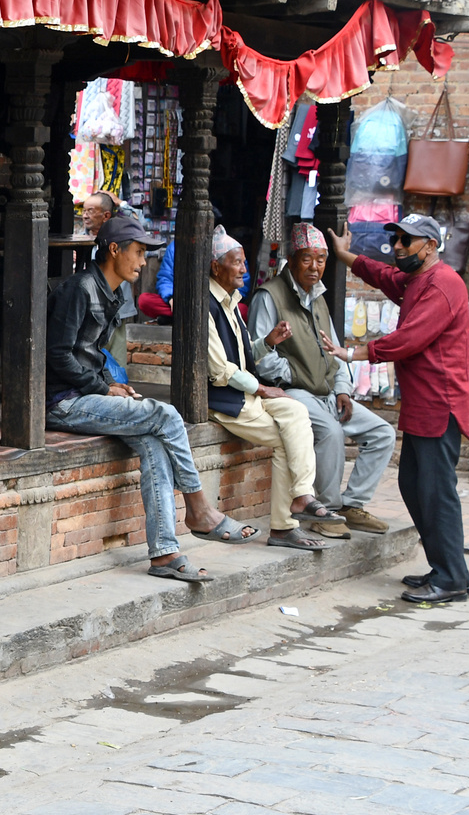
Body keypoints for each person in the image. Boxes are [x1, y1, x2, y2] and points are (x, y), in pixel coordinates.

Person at [46, 215, 261, 584]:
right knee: (167, 415)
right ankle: (198, 508)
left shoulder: (112, 291)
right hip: (64, 402)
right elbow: (58, 354)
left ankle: (164, 553)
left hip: (88, 394)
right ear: (114, 250)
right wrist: (102, 388)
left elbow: (92, 354)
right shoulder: (80, 288)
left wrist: (113, 384)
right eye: (139, 252)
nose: (143, 262)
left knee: (153, 443)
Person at [326, 214, 469, 604]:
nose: (399, 247)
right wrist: (346, 256)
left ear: (430, 246)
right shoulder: (418, 281)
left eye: (407, 240)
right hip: (423, 405)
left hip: (439, 405)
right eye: (398, 240)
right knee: (414, 486)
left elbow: (411, 338)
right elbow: (384, 276)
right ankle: (444, 567)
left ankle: (452, 578)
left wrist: (355, 352)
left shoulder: (443, 285)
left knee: (436, 492)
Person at [249, 224, 395, 535]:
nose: (315, 267)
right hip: (294, 392)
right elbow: (258, 354)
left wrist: (342, 388)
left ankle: (351, 505)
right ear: (292, 259)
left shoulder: (318, 296)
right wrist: (296, 374)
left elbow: (333, 349)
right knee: (330, 432)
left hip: (327, 392)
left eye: (321, 259)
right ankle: (323, 512)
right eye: (307, 259)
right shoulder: (270, 296)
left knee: (382, 433)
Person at [206, 227, 344, 550]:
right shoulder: (207, 306)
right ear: (216, 267)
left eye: (243, 262)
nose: (244, 269)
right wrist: (262, 389)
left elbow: (243, 356)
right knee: (288, 437)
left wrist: (268, 343)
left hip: (247, 394)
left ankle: (302, 497)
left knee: (297, 412)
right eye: (236, 263)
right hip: (226, 400)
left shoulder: (231, 303)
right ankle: (284, 525)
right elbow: (220, 369)